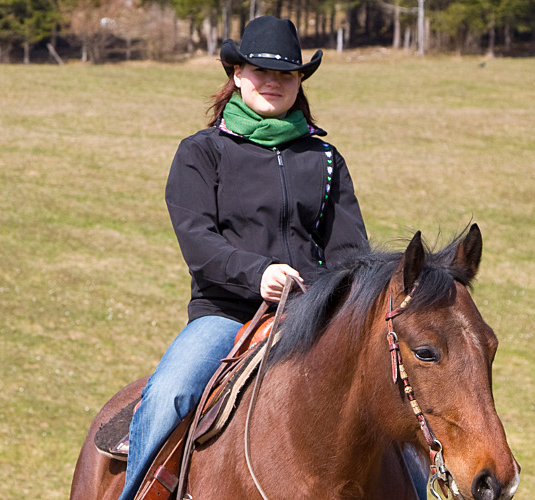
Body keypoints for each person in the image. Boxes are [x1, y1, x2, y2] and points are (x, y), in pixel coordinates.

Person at [115, 15, 370, 500]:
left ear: (299, 82)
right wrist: (260, 276)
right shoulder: (201, 153)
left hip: (314, 319)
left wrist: (327, 296)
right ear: (236, 74)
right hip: (226, 315)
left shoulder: (326, 159)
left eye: (286, 74)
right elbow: (200, 244)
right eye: (260, 71)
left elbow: (350, 253)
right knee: (171, 394)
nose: (272, 82)